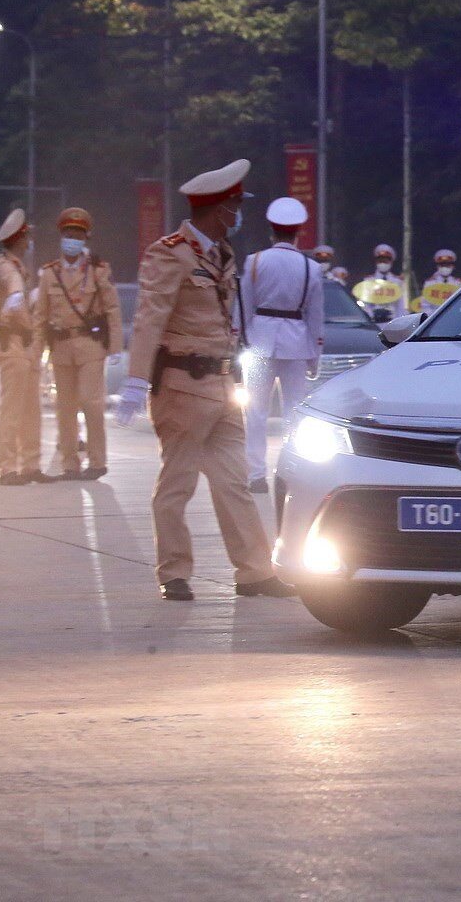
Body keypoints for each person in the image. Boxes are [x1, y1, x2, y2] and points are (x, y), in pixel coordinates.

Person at [114, 159, 296, 600]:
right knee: (178, 481)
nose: (239, 215)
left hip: (220, 385)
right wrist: (137, 380)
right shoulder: (168, 252)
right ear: (219, 210)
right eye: (235, 207)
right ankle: (174, 572)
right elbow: (149, 318)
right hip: (181, 386)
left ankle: (254, 571)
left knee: (233, 482)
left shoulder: (221, 254)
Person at [239, 196, 325, 494]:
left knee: (256, 412)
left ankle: (255, 475)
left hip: (259, 341)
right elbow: (315, 315)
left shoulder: (254, 262)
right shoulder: (311, 267)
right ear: (299, 230)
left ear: (271, 229)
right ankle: (289, 473)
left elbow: (244, 308)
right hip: (297, 342)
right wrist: (315, 355)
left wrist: (243, 341)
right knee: (293, 412)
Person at [34, 207, 122, 480]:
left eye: (77, 234)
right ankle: (70, 465)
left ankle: (97, 462)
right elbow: (40, 316)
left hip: (90, 346)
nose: (72, 238)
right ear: (61, 237)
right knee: (65, 406)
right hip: (60, 347)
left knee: (91, 402)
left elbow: (112, 309)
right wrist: (36, 351)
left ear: (85, 238)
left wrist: (116, 346)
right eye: (68, 234)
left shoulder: (97, 270)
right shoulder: (50, 273)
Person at [0, 209, 53, 485]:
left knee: (30, 410)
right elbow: (13, 289)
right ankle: (8, 468)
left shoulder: (13, 265)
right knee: (13, 409)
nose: (29, 243)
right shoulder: (6, 267)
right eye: (27, 238)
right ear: (19, 239)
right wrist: (16, 300)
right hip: (12, 344)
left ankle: (30, 465)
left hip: (23, 347)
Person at [359, 244, 407, 320]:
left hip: (393, 320)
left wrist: (399, 321)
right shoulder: (368, 281)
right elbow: (365, 304)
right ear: (376, 262)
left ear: (391, 262)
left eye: (385, 261)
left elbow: (401, 305)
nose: (382, 263)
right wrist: (372, 316)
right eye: (380, 261)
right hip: (374, 321)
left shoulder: (398, 281)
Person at [420, 248, 461, 314]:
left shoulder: (458, 283)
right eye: (442, 265)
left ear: (453, 266)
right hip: (433, 317)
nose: (445, 267)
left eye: (448, 265)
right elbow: (425, 305)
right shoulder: (429, 283)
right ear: (437, 266)